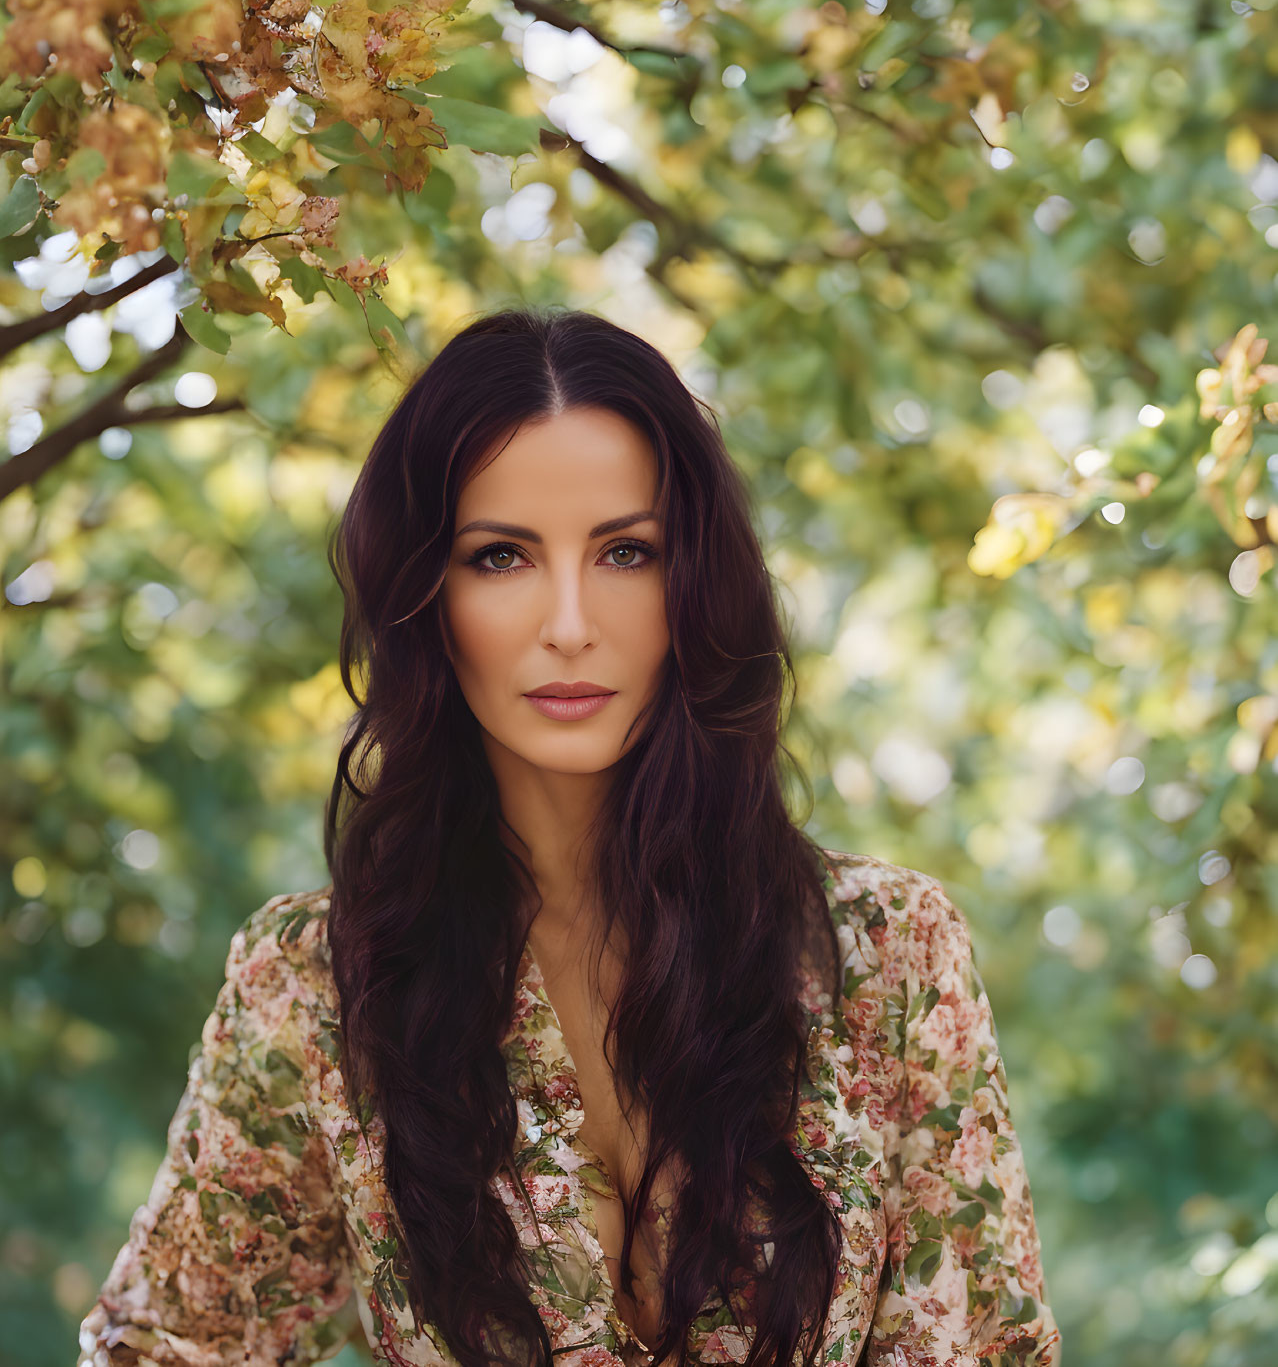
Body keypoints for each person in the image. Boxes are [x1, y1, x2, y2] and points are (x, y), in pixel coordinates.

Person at [75, 307, 1062, 1367]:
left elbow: (990, 1347)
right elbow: (169, 1344)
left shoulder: (893, 956)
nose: (570, 622)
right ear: (426, 599)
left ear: (695, 586)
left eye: (627, 551)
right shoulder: (316, 986)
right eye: (500, 556)